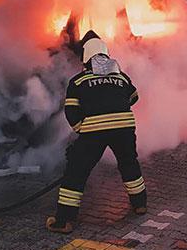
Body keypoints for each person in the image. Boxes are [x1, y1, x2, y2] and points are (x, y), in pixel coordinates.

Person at [46, 30, 147, 233]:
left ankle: (63, 220)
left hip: (94, 131)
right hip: (124, 128)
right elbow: (134, 97)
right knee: (129, 164)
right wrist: (116, 106)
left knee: (77, 171)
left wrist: (81, 128)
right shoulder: (121, 77)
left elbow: (71, 110)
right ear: (106, 55)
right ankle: (140, 204)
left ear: (85, 58)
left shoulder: (78, 81)